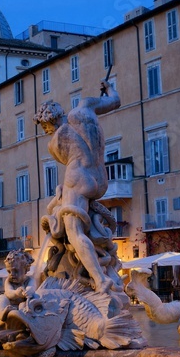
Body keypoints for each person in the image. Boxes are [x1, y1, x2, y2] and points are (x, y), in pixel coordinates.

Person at [34, 80, 122, 297]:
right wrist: (108, 88)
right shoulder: (85, 107)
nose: (46, 132)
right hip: (100, 178)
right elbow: (115, 101)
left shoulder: (54, 142)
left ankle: (100, 280)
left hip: (78, 178)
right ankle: (100, 269)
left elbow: (66, 159)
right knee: (84, 221)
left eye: (45, 129)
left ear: (48, 124)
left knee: (73, 231)